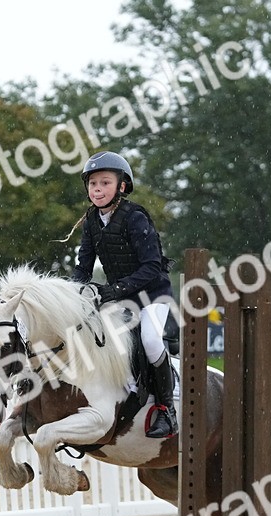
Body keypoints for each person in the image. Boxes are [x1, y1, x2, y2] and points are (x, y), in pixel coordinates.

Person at [70, 151, 177, 438]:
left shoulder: (135, 217)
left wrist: (113, 290)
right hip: (122, 298)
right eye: (93, 184)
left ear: (121, 186)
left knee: (151, 341)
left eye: (105, 183)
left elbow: (153, 266)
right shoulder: (92, 221)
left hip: (153, 295)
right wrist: (72, 292)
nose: (98, 189)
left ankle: (167, 410)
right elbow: (83, 266)